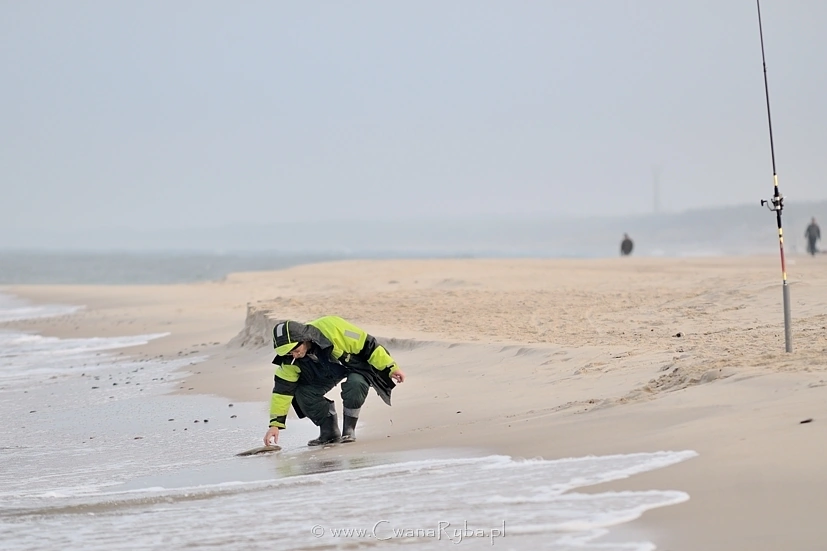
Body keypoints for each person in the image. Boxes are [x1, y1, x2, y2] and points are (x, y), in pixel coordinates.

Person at [262, 316, 406, 447]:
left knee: (356, 384)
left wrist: (391, 367)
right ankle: (329, 432)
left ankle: (349, 431)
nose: (294, 355)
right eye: (288, 353)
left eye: (295, 349)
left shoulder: (333, 327)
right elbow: (282, 391)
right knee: (302, 393)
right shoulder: (289, 360)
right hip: (323, 374)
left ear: (304, 338)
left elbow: (369, 345)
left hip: (353, 366)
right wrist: (275, 425)